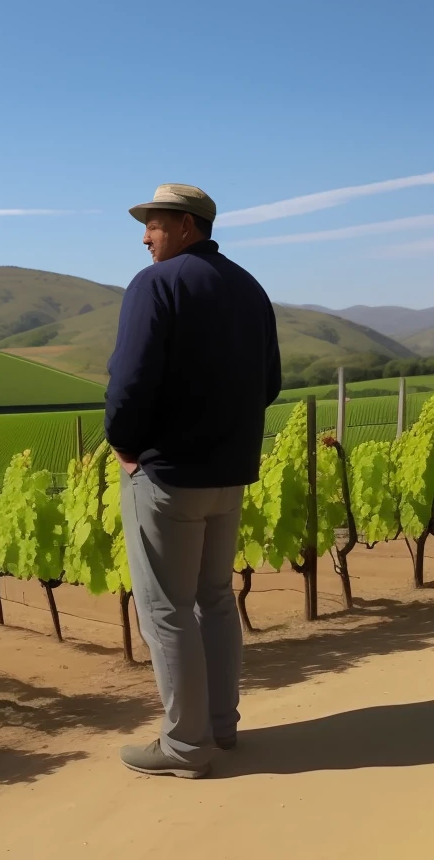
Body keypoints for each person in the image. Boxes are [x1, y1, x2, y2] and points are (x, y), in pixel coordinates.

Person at [104, 183, 281, 779]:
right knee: (213, 598)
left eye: (152, 223)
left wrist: (126, 446)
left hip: (167, 477)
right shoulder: (250, 288)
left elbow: (129, 382)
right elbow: (272, 384)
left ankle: (184, 745)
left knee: (167, 609)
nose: (145, 236)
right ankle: (222, 728)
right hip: (229, 477)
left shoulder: (156, 284)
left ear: (184, 224)